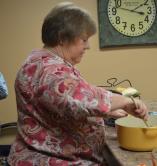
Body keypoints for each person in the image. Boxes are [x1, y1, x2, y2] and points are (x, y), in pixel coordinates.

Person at [8, 2, 148, 166]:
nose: (87, 46)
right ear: (62, 38)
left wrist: (106, 112)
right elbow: (78, 95)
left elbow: (60, 106)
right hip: (48, 160)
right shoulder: (49, 71)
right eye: (84, 39)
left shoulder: (42, 61)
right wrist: (126, 101)